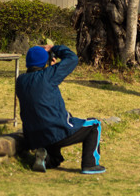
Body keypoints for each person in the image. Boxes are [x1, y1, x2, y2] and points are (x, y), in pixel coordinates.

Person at [15, 43, 105, 174]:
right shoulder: (48, 76)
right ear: (45, 61)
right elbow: (72, 58)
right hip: (56, 131)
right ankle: (90, 165)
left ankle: (45, 159)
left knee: (56, 159)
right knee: (95, 125)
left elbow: (38, 86)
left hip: (34, 137)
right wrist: (54, 48)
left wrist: (48, 65)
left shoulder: (21, 81)